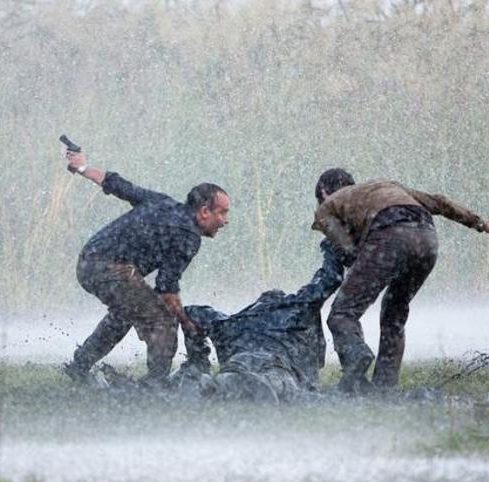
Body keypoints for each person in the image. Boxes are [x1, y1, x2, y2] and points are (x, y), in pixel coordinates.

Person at [311, 168, 489, 393]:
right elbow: (440, 202)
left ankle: (356, 362)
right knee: (394, 313)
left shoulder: (327, 206)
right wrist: (482, 224)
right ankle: (385, 387)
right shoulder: (385, 185)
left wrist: (353, 261)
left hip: (390, 237)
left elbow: (348, 250)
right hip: (427, 239)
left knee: (342, 313)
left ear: (324, 192)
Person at [58, 145, 230, 385]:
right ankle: (154, 386)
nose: (225, 221)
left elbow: (119, 185)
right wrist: (187, 323)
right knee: (162, 320)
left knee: (124, 314)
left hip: (87, 262)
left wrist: (83, 167)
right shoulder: (188, 235)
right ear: (204, 211)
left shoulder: (162, 202)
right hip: (109, 268)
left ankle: (79, 367)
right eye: (222, 213)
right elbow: (166, 287)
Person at [177, 239, 352, 402]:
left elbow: (190, 313)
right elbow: (330, 278)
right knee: (278, 382)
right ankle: (258, 385)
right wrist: (331, 245)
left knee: (229, 378)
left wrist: (198, 359)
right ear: (281, 300)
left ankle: (216, 384)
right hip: (276, 363)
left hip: (239, 360)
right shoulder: (295, 309)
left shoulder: (232, 322)